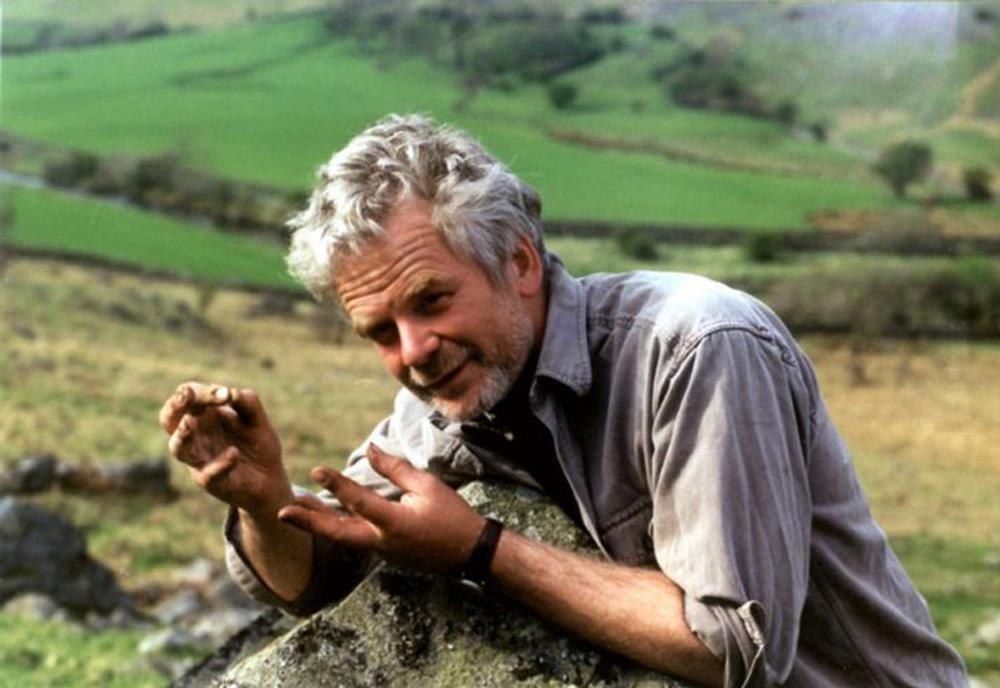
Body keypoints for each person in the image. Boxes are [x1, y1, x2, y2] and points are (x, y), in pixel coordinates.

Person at [159, 114, 967, 687]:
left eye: (432, 301)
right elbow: (321, 577)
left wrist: (480, 548)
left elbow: (737, 649)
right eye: (380, 330)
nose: (410, 354)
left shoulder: (698, 347)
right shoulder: (445, 398)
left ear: (519, 262)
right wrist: (267, 505)